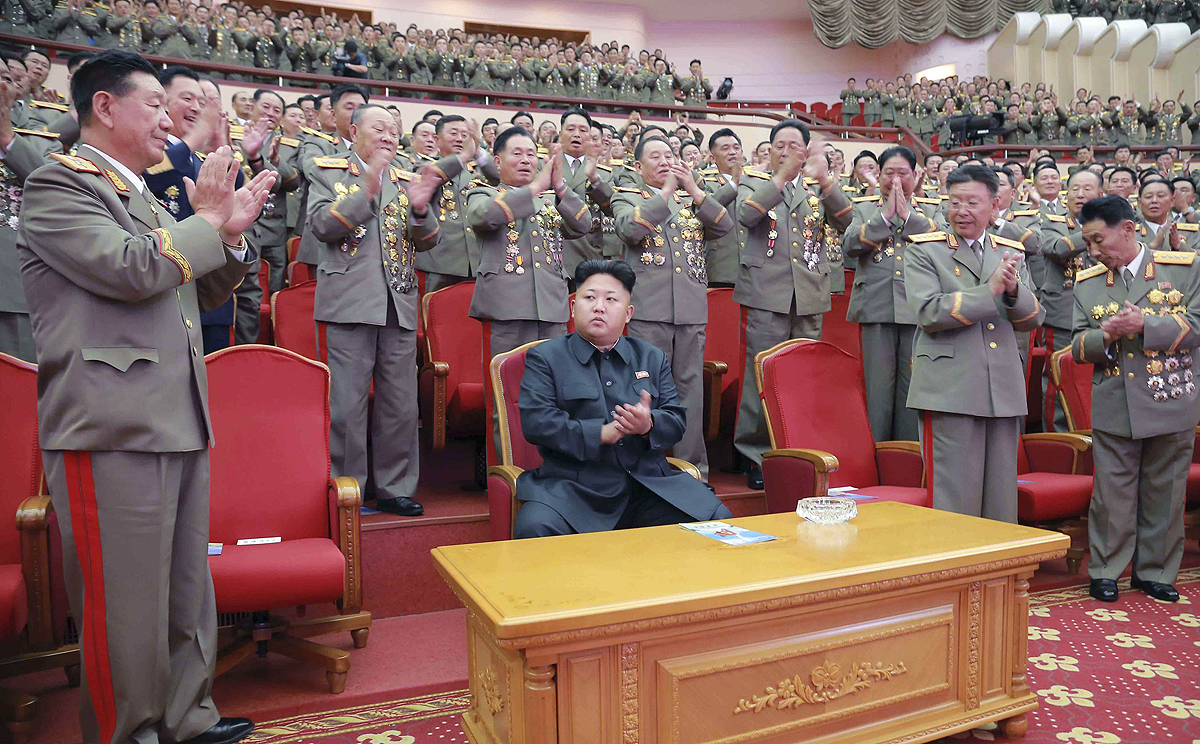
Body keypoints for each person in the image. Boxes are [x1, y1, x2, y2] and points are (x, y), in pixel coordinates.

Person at [17, 50, 274, 744]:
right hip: (111, 420)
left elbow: (191, 283)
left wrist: (231, 234)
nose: (170, 119)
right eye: (156, 104)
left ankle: (188, 717)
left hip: (177, 412)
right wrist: (207, 224)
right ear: (104, 107)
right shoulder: (58, 186)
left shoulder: (146, 194)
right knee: (122, 600)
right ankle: (128, 729)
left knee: (188, 590)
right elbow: (132, 270)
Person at [307, 104, 457, 517]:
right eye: (380, 128)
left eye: (394, 129)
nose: (389, 136)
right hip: (350, 302)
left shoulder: (408, 176)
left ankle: (394, 487)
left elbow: (426, 240)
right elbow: (321, 225)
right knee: (348, 404)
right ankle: (349, 488)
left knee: (400, 403)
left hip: (399, 301)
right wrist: (366, 189)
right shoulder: (330, 170)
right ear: (354, 131)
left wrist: (423, 210)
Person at [512, 259, 732, 538]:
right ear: (572, 307)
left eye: (610, 299)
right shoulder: (546, 358)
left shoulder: (651, 357)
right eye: (589, 297)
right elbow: (537, 423)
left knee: (717, 521)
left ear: (628, 314)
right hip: (573, 489)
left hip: (646, 486)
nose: (599, 306)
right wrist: (599, 433)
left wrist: (648, 424)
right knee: (535, 529)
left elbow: (676, 420)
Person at [1070, 195, 1200, 604]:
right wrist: (1103, 336)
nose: (1093, 251)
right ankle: (1106, 570)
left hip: (1169, 396)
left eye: (1098, 240)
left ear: (1127, 229)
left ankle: (1155, 572)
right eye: (1087, 242)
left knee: (1166, 491)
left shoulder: (1183, 269)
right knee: (1112, 494)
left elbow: (1196, 324)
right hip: (1116, 402)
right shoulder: (1089, 281)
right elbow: (1075, 345)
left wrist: (1147, 323)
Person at [905, 165, 1044, 522]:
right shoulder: (926, 251)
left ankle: (997, 576)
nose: (962, 211)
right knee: (955, 500)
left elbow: (1032, 319)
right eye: (955, 202)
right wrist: (991, 289)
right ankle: (956, 574)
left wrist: (1013, 291)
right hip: (950, 386)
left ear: (995, 206)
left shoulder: (1009, 251)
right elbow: (929, 312)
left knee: (1000, 500)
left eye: (973, 202)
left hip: (1002, 385)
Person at [733, 120, 852, 488]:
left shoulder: (820, 186)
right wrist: (781, 178)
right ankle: (755, 456)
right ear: (768, 151)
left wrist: (826, 179)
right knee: (762, 375)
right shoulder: (754, 181)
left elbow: (847, 220)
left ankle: (800, 449)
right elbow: (747, 215)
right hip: (768, 294)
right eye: (779, 145)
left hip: (809, 294)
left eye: (794, 146)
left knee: (803, 375)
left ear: (806, 151)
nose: (786, 151)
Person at [466, 126, 592, 456]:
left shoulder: (551, 199)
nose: (526, 160)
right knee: (506, 397)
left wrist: (560, 187)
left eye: (532, 155)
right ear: (497, 160)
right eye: (517, 154)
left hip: (550, 308)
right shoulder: (482, 192)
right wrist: (536, 188)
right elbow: (484, 217)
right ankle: (507, 474)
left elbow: (582, 224)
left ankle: (550, 470)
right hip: (506, 309)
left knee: (553, 396)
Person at [843, 146, 937, 442]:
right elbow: (850, 246)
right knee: (877, 389)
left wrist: (907, 215)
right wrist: (884, 217)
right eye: (889, 173)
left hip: (918, 308)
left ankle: (908, 456)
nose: (895, 181)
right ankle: (875, 452)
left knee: (913, 387)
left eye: (903, 173)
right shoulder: (863, 207)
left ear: (915, 176)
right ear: (879, 175)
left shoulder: (932, 209)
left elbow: (942, 242)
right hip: (876, 306)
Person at [0, 55, 61, 363]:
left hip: (10, 281)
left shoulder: (40, 135)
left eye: (5, 79)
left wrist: (7, 136)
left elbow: (52, 184)